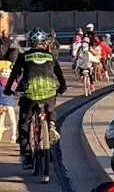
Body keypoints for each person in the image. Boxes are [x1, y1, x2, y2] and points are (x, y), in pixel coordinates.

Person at [4, 29, 67, 166]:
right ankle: (51, 124)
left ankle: (27, 155)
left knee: (24, 122)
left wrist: (8, 89)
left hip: (30, 92)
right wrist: (62, 88)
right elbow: (60, 75)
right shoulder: (51, 57)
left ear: (30, 42)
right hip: (49, 91)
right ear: (44, 42)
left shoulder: (24, 56)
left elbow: (14, 75)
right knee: (50, 108)